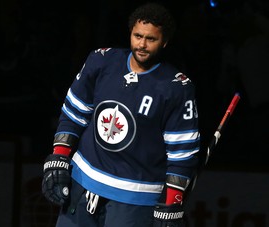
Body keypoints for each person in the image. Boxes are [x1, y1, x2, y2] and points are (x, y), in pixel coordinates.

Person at [42, 2, 200, 227]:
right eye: (137, 36)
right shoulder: (101, 61)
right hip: (82, 182)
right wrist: (59, 157)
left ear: (165, 42)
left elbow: (182, 153)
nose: (142, 44)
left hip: (136, 199)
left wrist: (173, 200)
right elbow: (73, 112)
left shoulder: (176, 87)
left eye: (151, 39)